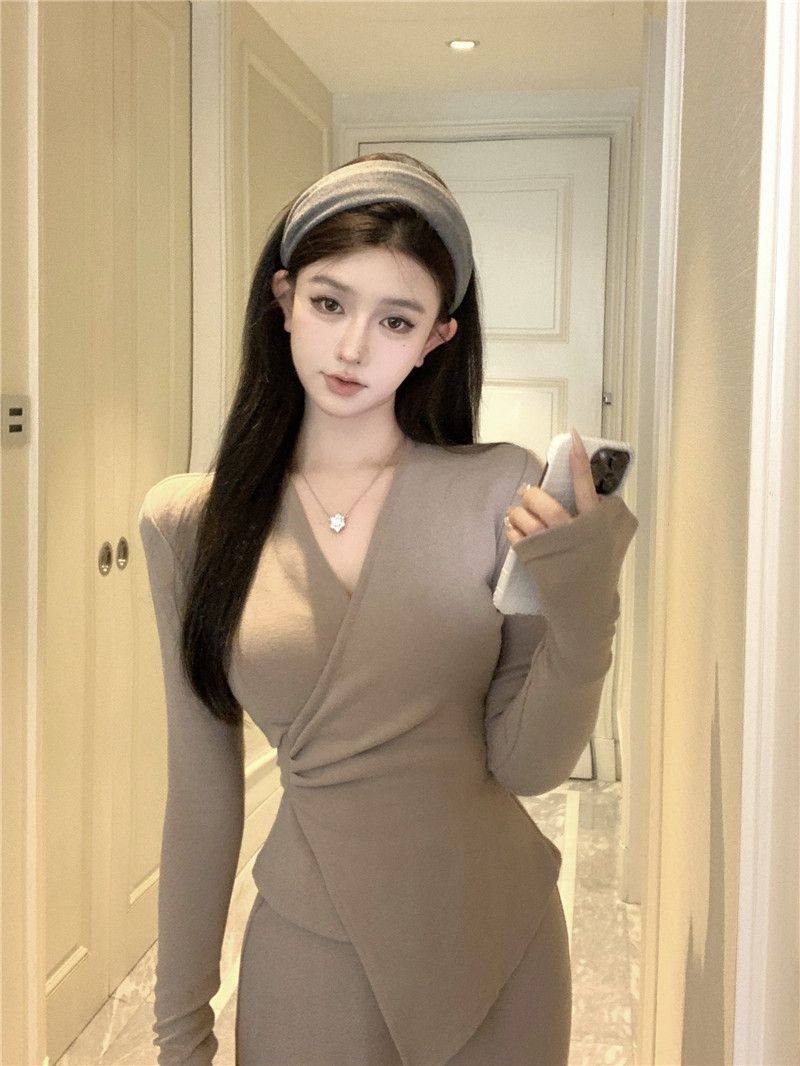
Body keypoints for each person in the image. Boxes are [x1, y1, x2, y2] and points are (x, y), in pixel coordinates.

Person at [138, 152, 639, 1066]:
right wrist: (179, 1036)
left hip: (501, 948)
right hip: (309, 957)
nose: (354, 348)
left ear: (436, 339)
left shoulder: (500, 489)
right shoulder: (191, 523)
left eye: (395, 320)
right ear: (283, 298)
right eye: (330, 303)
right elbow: (201, 794)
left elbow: (527, 765)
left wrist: (586, 609)